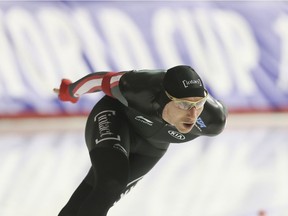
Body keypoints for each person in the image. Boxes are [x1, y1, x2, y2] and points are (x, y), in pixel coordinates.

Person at [54, 65, 228, 216]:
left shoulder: (212, 120)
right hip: (118, 118)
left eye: (199, 104)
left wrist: (194, 105)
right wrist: (70, 91)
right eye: (183, 105)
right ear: (165, 98)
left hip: (152, 147)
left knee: (102, 194)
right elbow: (100, 80)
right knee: (111, 181)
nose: (193, 114)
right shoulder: (138, 87)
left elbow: (213, 109)